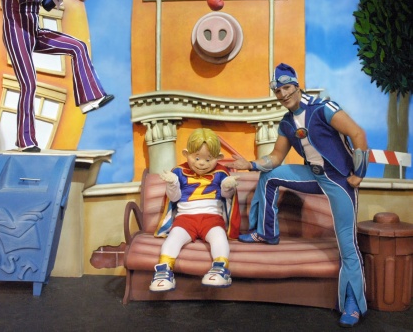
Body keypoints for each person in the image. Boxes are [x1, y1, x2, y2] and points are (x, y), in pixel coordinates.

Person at [226, 63, 369, 328]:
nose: (283, 94)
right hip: (313, 175)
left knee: (347, 245)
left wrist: (358, 173)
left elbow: (357, 134)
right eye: (278, 91)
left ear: (296, 85)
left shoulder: (323, 108)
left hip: (338, 179)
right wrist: (251, 165)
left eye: (287, 88)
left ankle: (352, 302)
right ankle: (266, 232)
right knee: (269, 175)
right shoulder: (286, 123)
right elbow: (275, 157)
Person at [1, 0, 113, 153]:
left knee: (78, 46)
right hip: (16, 33)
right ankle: (25, 141)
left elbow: (47, 4)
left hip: (33, 31)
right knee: (29, 84)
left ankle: (89, 99)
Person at [149, 128, 240, 292]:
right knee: (173, 238)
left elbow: (227, 197)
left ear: (218, 158)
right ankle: (163, 270)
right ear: (186, 154)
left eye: (208, 159)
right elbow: (174, 198)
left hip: (212, 218)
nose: (201, 163)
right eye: (196, 158)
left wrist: (228, 187)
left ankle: (220, 268)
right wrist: (172, 184)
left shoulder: (221, 173)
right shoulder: (179, 172)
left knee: (219, 237)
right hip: (185, 218)